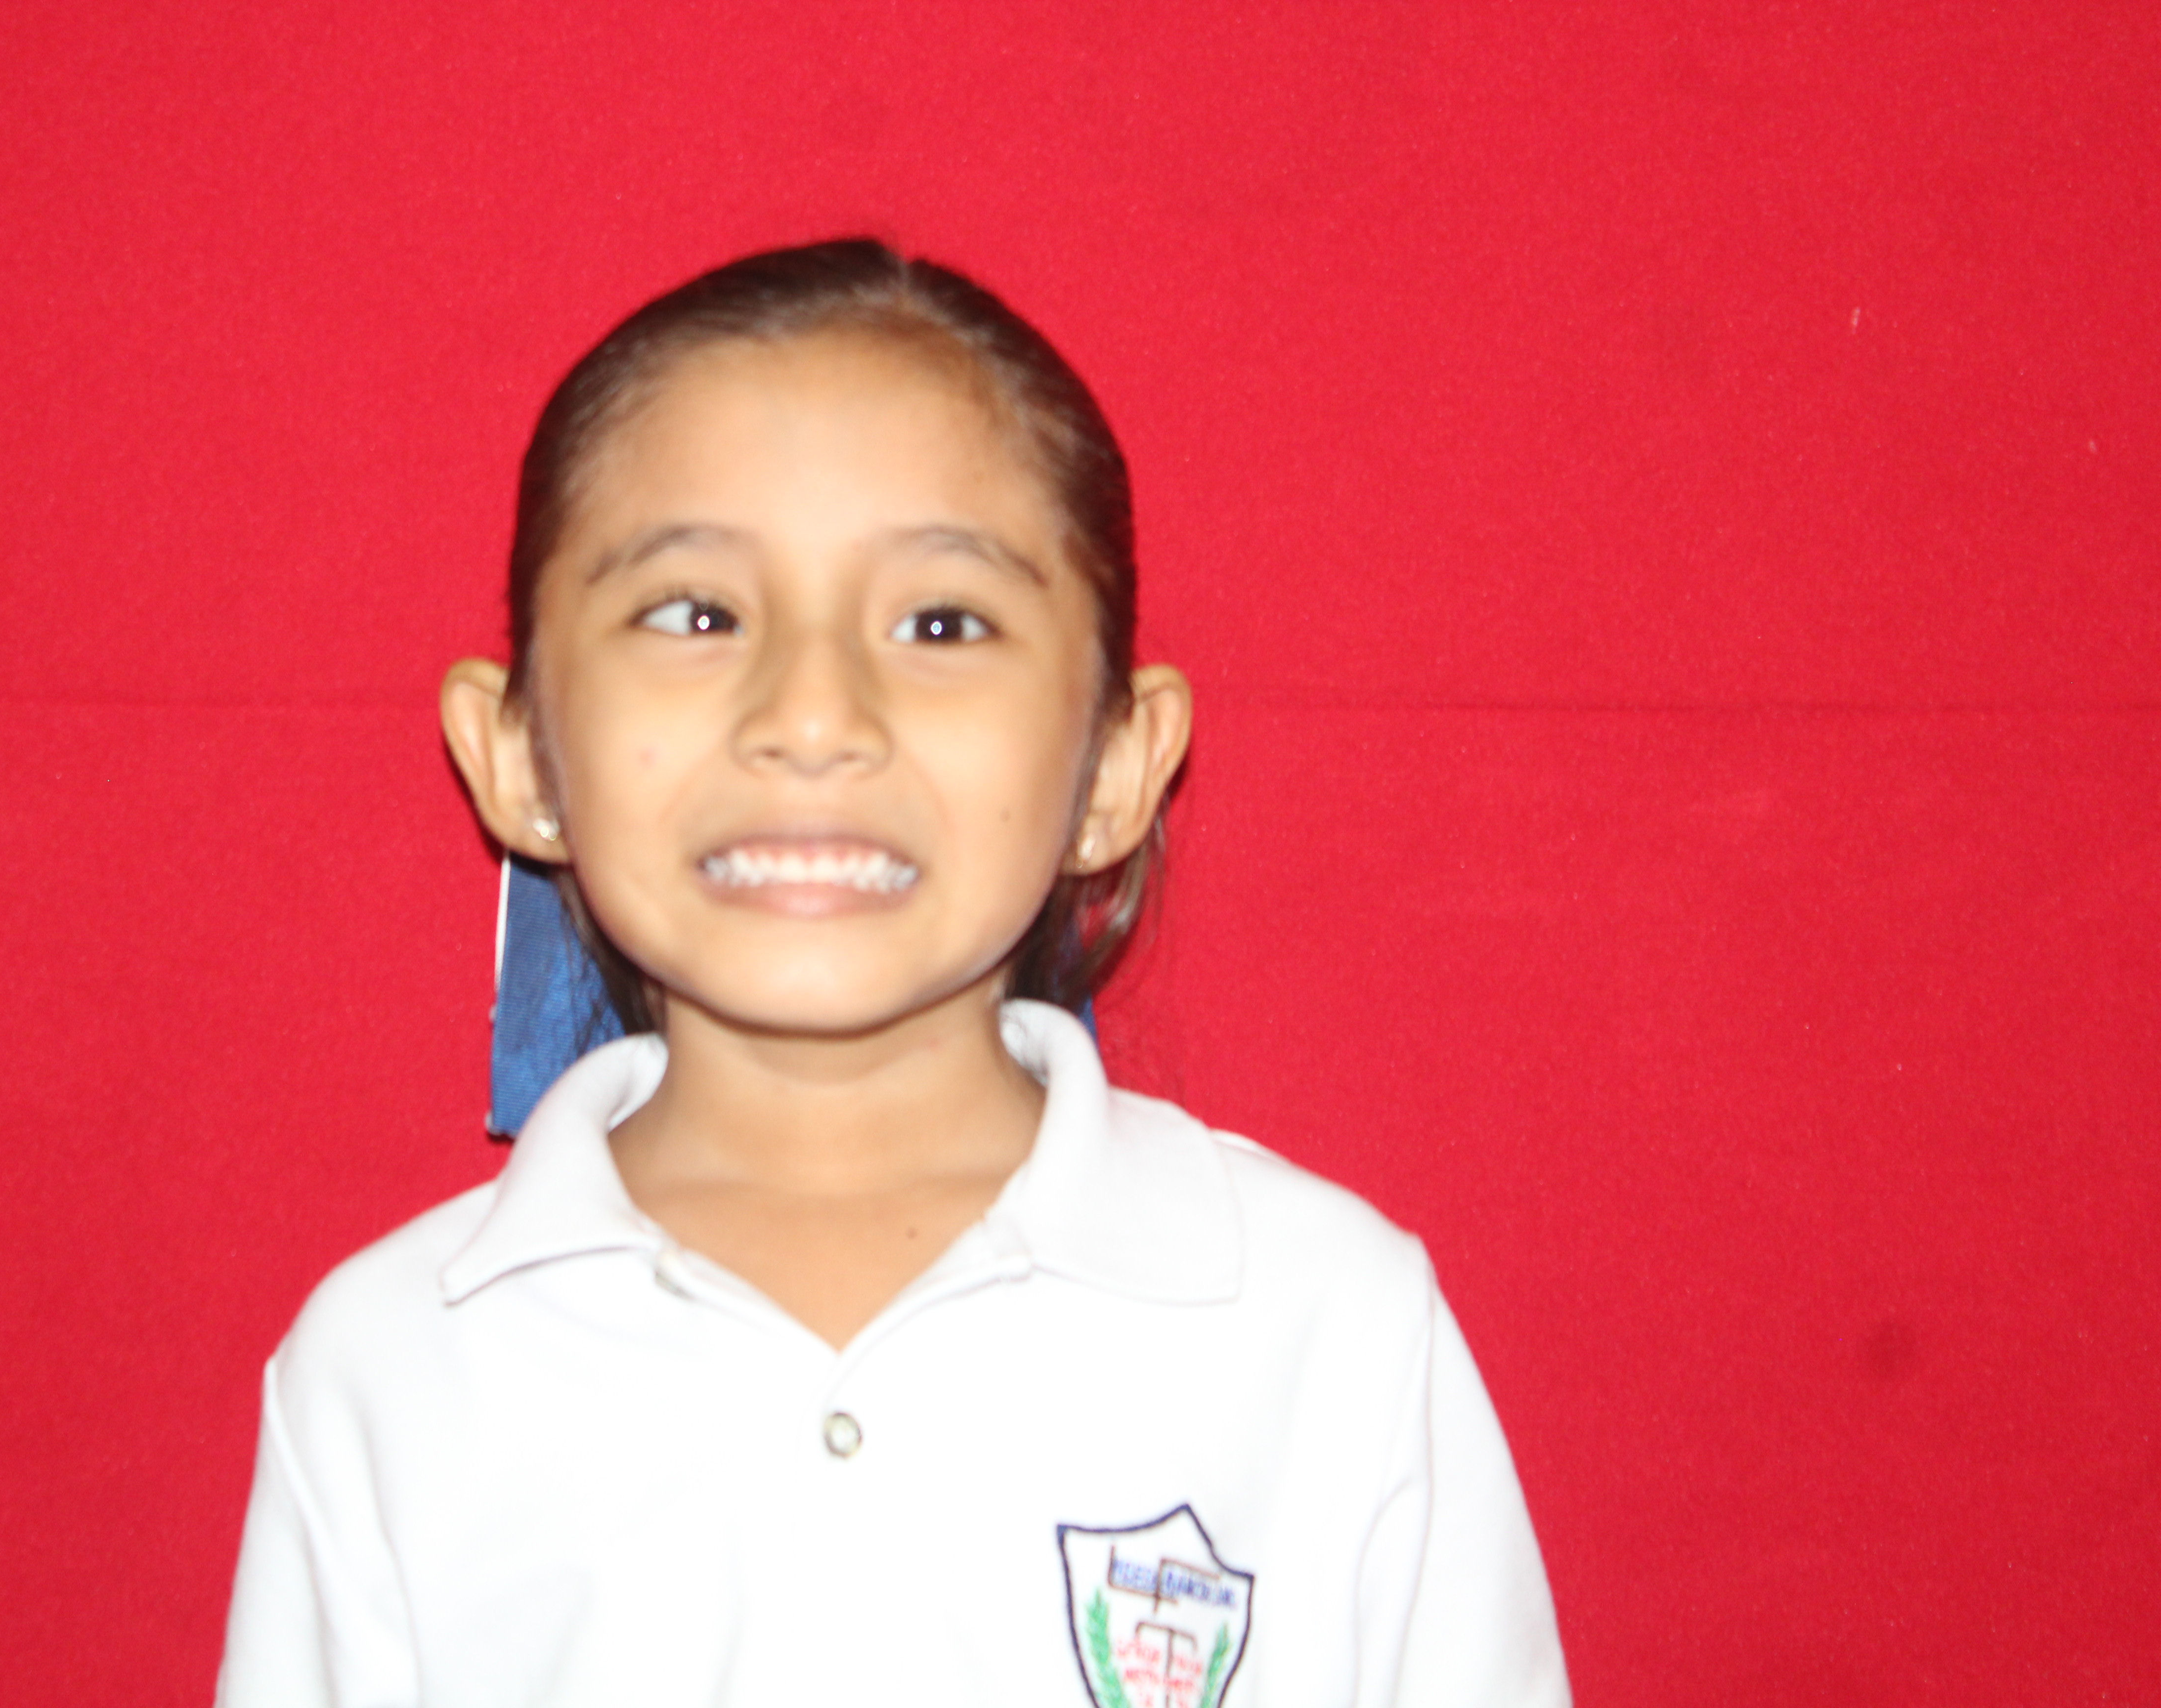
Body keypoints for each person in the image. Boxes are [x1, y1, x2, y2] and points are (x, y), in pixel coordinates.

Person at [216, 239, 1569, 1708]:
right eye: (697, 614)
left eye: (942, 624)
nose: (814, 717)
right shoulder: (389, 1370)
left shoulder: (1329, 1325)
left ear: (1117, 768)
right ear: (518, 757)